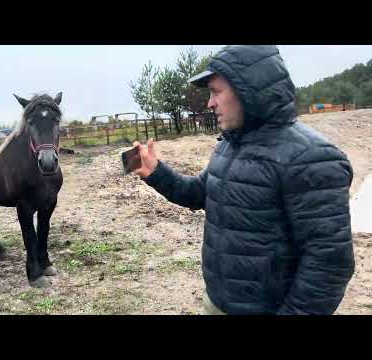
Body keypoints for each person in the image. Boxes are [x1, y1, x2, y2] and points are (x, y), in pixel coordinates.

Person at [132, 45, 355, 315]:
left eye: (215, 92)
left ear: (250, 90)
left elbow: (329, 263)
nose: (209, 103)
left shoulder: (313, 158)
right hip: (218, 301)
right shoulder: (230, 144)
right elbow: (199, 193)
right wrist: (156, 172)